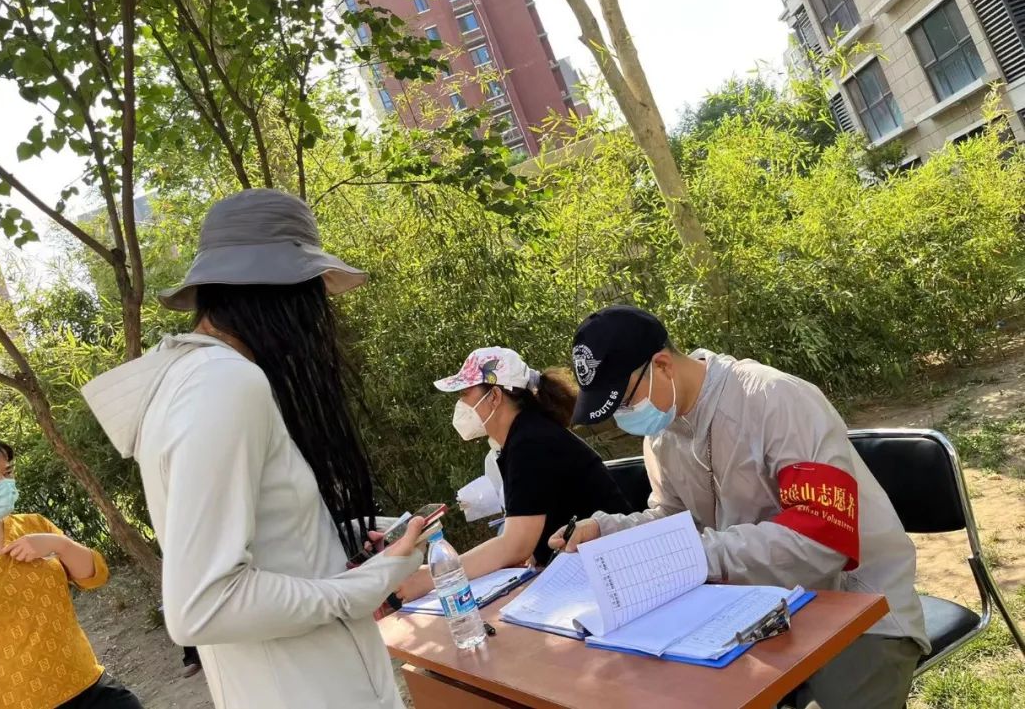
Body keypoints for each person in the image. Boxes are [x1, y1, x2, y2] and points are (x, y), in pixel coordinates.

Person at [82, 189, 425, 709]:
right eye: (314, 291)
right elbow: (204, 605)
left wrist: (338, 539)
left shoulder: (192, 380)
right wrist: (373, 581)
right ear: (284, 291)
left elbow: (255, 542)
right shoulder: (223, 384)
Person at [550, 306, 929, 709]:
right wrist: (609, 530)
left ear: (662, 365)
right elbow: (671, 518)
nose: (623, 418)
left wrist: (691, 554)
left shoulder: (774, 399)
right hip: (756, 607)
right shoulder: (662, 435)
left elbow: (821, 540)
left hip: (858, 603)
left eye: (624, 402)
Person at [396, 347, 630, 602]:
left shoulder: (530, 443)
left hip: (616, 575)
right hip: (591, 572)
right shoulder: (524, 437)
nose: (461, 404)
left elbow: (515, 545)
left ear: (494, 396)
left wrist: (432, 578)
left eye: (465, 393)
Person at [0, 435, 142, 709]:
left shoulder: (33, 525)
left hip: (89, 684)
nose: (5, 483)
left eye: (8, 473)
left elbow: (94, 575)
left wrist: (58, 544)